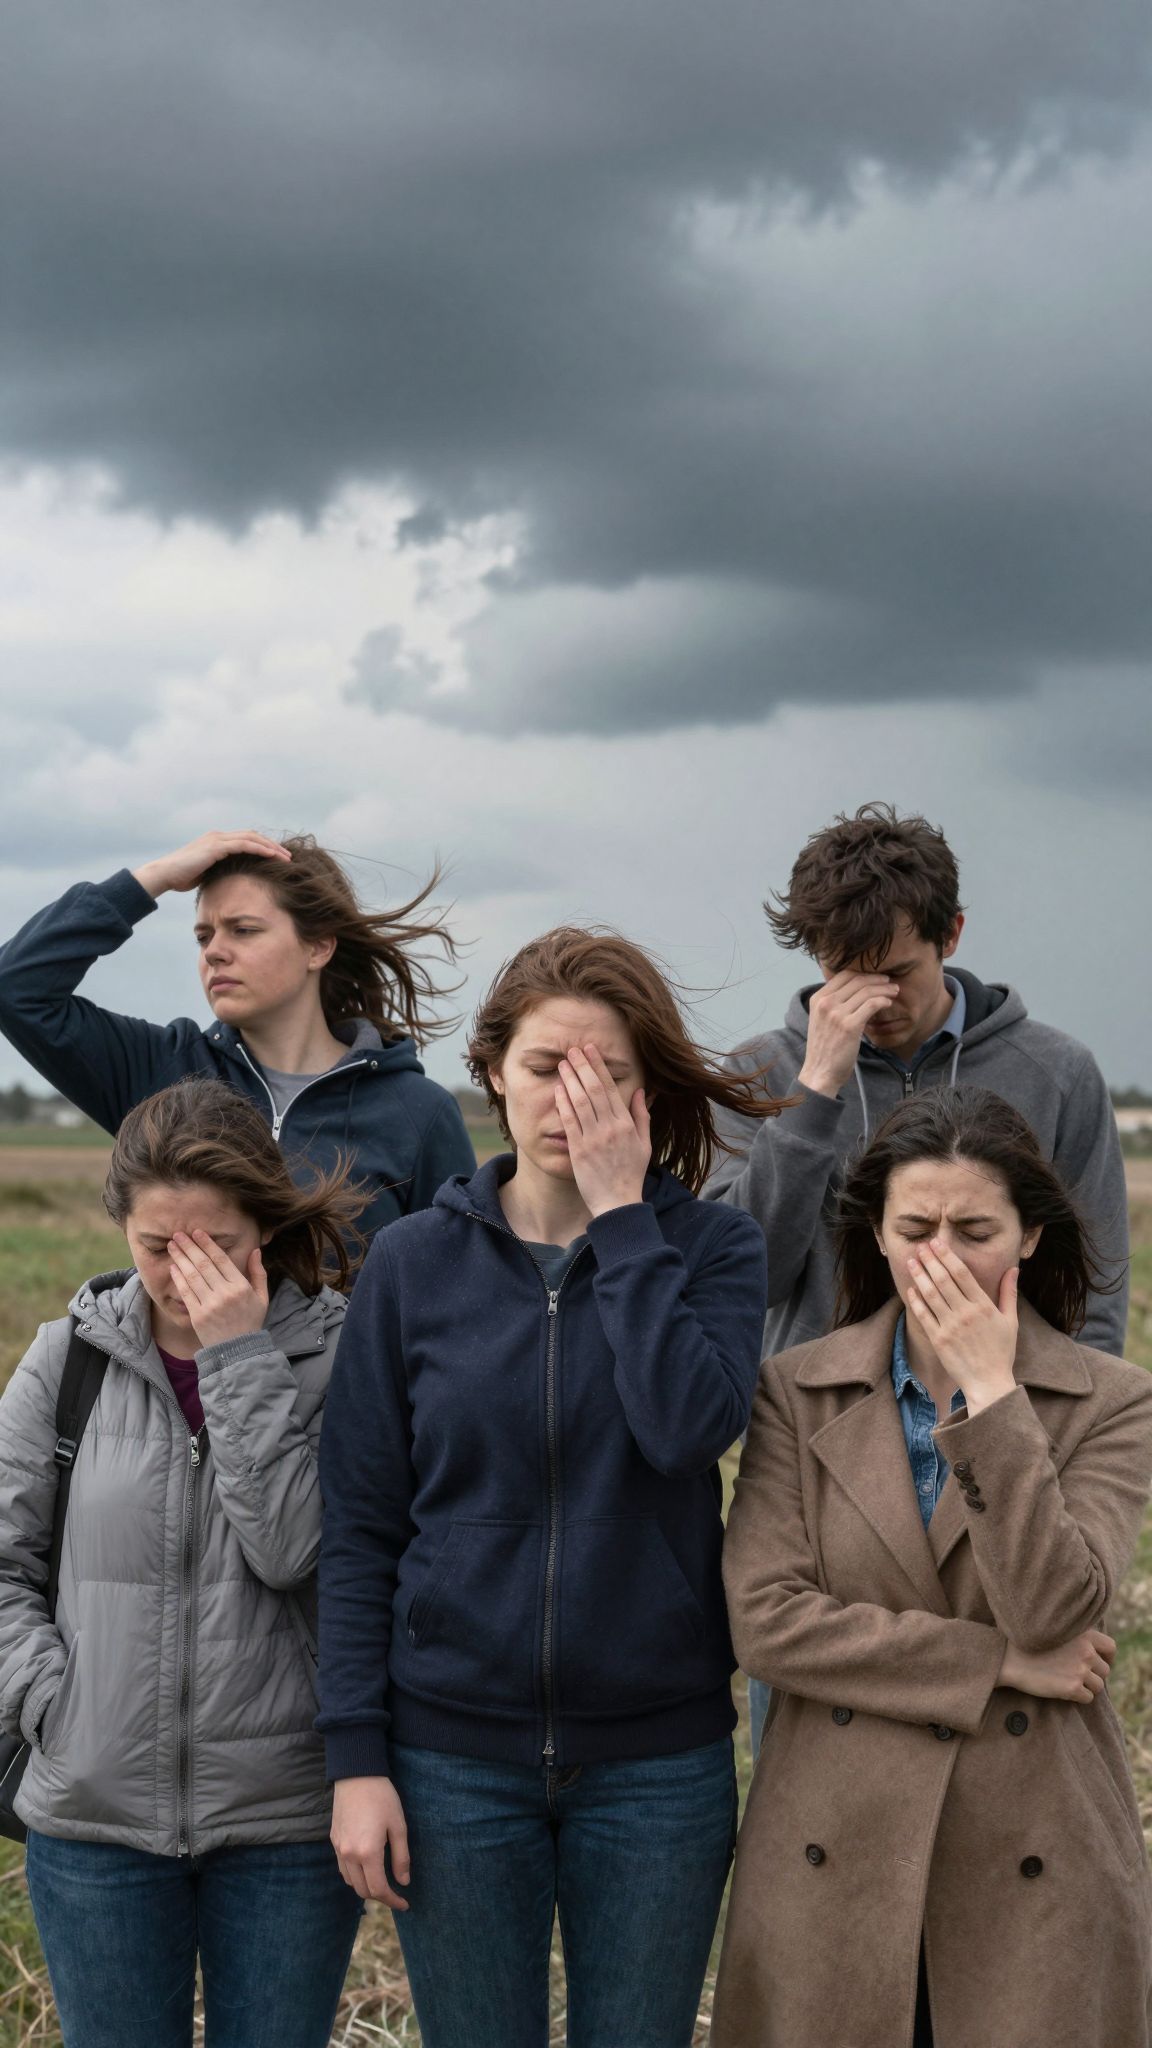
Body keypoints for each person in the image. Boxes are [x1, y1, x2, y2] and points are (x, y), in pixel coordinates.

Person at [316, 927, 778, 2048]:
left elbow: (686, 1430)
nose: (575, 1100)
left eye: (608, 1074)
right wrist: (357, 1760)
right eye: (545, 1067)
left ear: (648, 1092)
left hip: (658, 1764)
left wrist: (624, 1221)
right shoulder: (411, 1262)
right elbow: (360, 1527)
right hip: (452, 1759)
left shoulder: (714, 1249)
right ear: (490, 1073)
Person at [712, 1086, 1152, 2048]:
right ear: (876, 1232)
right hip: (833, 1843)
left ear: (1030, 1236)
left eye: (975, 1230)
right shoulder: (796, 1389)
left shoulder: (1112, 1402)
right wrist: (994, 1664)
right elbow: (767, 1623)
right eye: (915, 1228)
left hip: (1033, 1847)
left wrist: (993, 1396)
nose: (941, 1257)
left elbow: (1055, 1611)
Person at [0, 1077, 366, 2048]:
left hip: (287, 1821)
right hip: (94, 1823)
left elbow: (292, 1549)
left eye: (216, 1244)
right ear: (121, 1225)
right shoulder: (65, 1361)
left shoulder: (341, 1357)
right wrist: (53, 1704)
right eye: (157, 1244)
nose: (182, 1272)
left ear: (266, 1225)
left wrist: (237, 1356)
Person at [705, 802, 1129, 1357]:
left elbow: (1095, 1289)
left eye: (897, 973)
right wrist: (814, 1092)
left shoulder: (1059, 1072)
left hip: (1004, 1396)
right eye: (844, 973)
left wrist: (1064, 1406)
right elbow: (742, 1282)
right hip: (816, 1402)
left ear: (949, 935)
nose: (875, 1000)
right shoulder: (757, 1073)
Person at [0, 829, 475, 1239]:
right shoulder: (165, 1073)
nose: (214, 952)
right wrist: (153, 878)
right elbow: (15, 988)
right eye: (203, 936)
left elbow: (455, 1282)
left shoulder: (418, 1112)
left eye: (243, 930)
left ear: (318, 947)